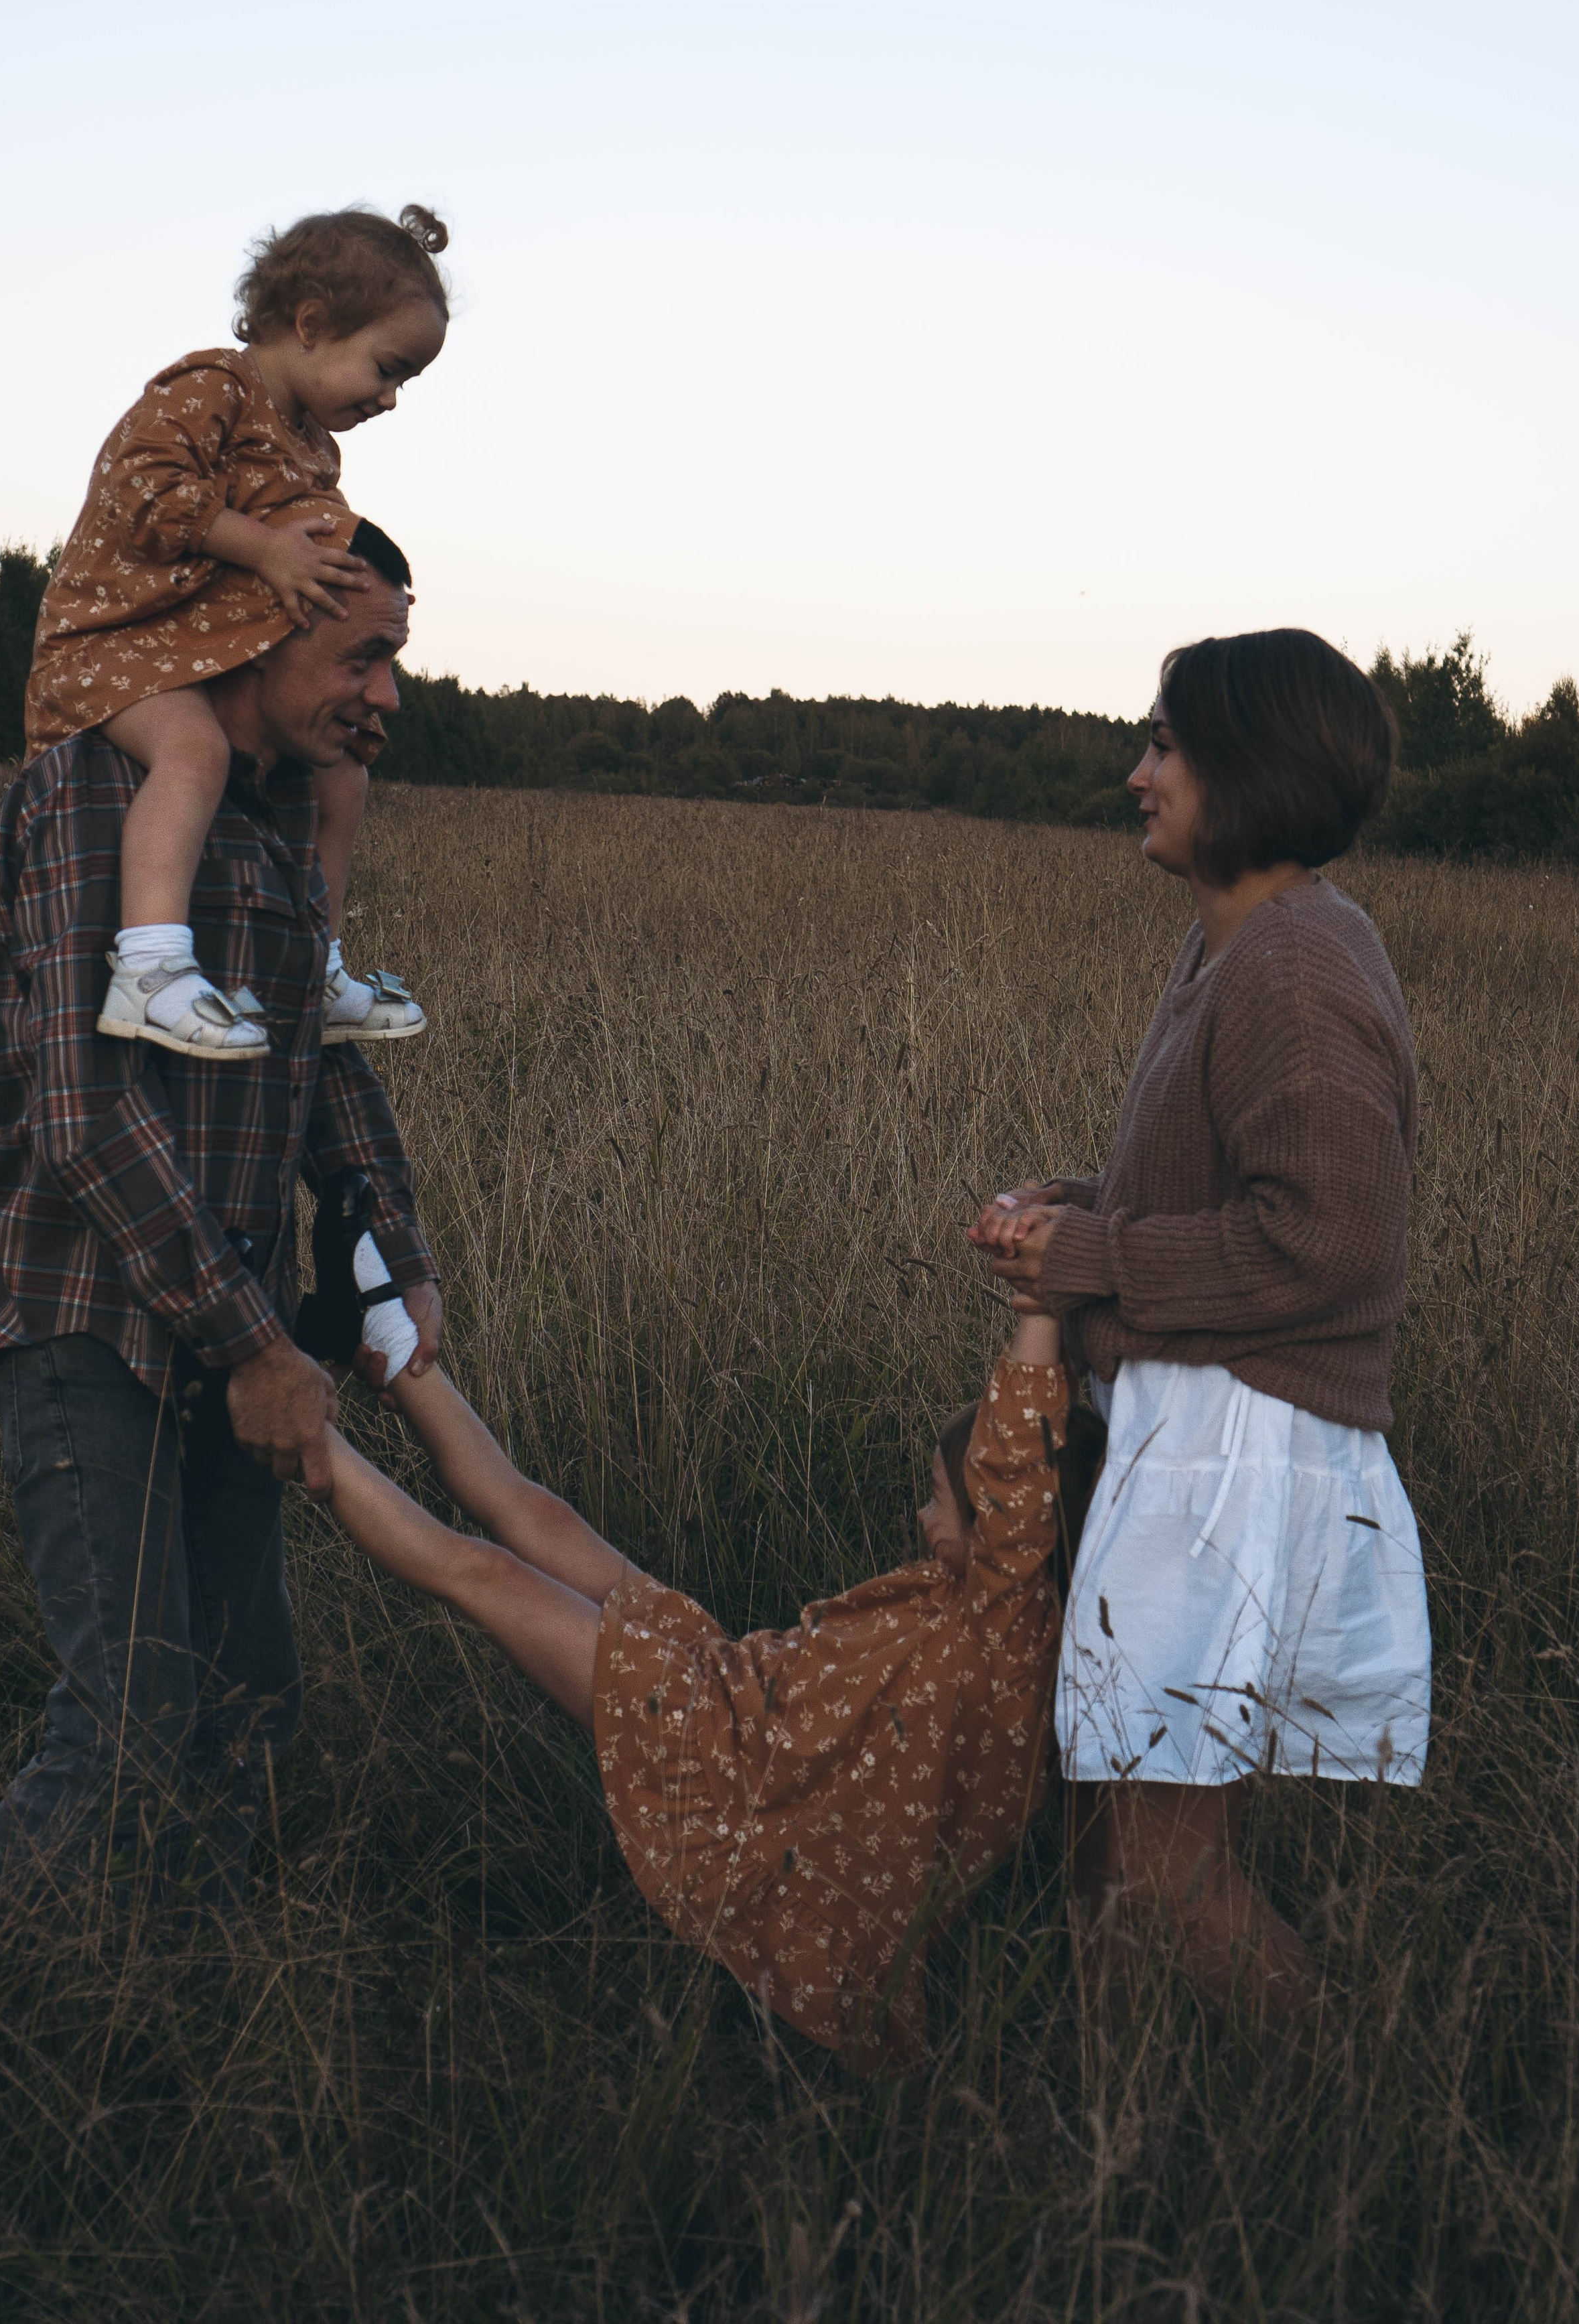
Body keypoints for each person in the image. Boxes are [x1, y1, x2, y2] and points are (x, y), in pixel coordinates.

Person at [300, 1205, 1099, 2069]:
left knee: (487, 1575)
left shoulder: (1006, 1628)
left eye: (940, 1502)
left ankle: (295, 1423)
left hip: (731, 1769)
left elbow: (1022, 1463)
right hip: (727, 1684)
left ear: (1011, 1532)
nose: (919, 1516)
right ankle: (377, 1334)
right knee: (540, 1517)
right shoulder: (992, 1607)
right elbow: (1028, 1475)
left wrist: (1039, 1310)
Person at [0, 543, 443, 1929]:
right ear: (247, 629)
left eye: (396, 655)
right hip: (86, 1321)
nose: (387, 693)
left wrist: (391, 1252)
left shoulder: (287, 819)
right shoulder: (94, 792)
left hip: (235, 1334)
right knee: (122, 1728)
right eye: (360, 655)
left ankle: (174, 2017)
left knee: (245, 1706)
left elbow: (315, 1068)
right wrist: (258, 1344)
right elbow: (84, 1108)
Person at [970, 628, 1430, 2021]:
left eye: (1163, 744)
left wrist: (1093, 1253)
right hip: (1199, 1430)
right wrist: (1082, 1208)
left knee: (1162, 1866)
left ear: (1244, 765)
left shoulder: (1293, 963)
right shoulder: (1237, 944)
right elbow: (1231, 1195)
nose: (1135, 772)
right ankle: (1126, 2137)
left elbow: (1327, 1241)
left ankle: (1348, 2123)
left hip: (1237, 1449)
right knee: (1113, 1839)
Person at [23, 203, 450, 1061]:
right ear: (311, 324)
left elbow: (326, 569)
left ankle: (317, 968)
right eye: (386, 367)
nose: (392, 398)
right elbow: (136, 491)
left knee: (343, 781)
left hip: (184, 653)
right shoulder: (211, 387)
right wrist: (262, 549)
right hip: (109, 647)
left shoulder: (314, 450)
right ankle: (149, 969)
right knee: (197, 755)